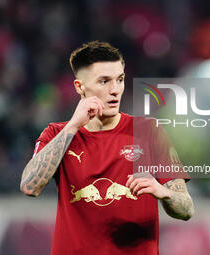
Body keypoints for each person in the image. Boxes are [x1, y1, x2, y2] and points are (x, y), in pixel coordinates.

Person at [20, 41, 194, 255]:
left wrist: (163, 192)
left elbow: (186, 209)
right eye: (104, 81)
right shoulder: (57, 134)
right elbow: (29, 187)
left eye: (119, 80)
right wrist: (74, 125)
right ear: (80, 87)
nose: (115, 90)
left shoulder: (147, 131)